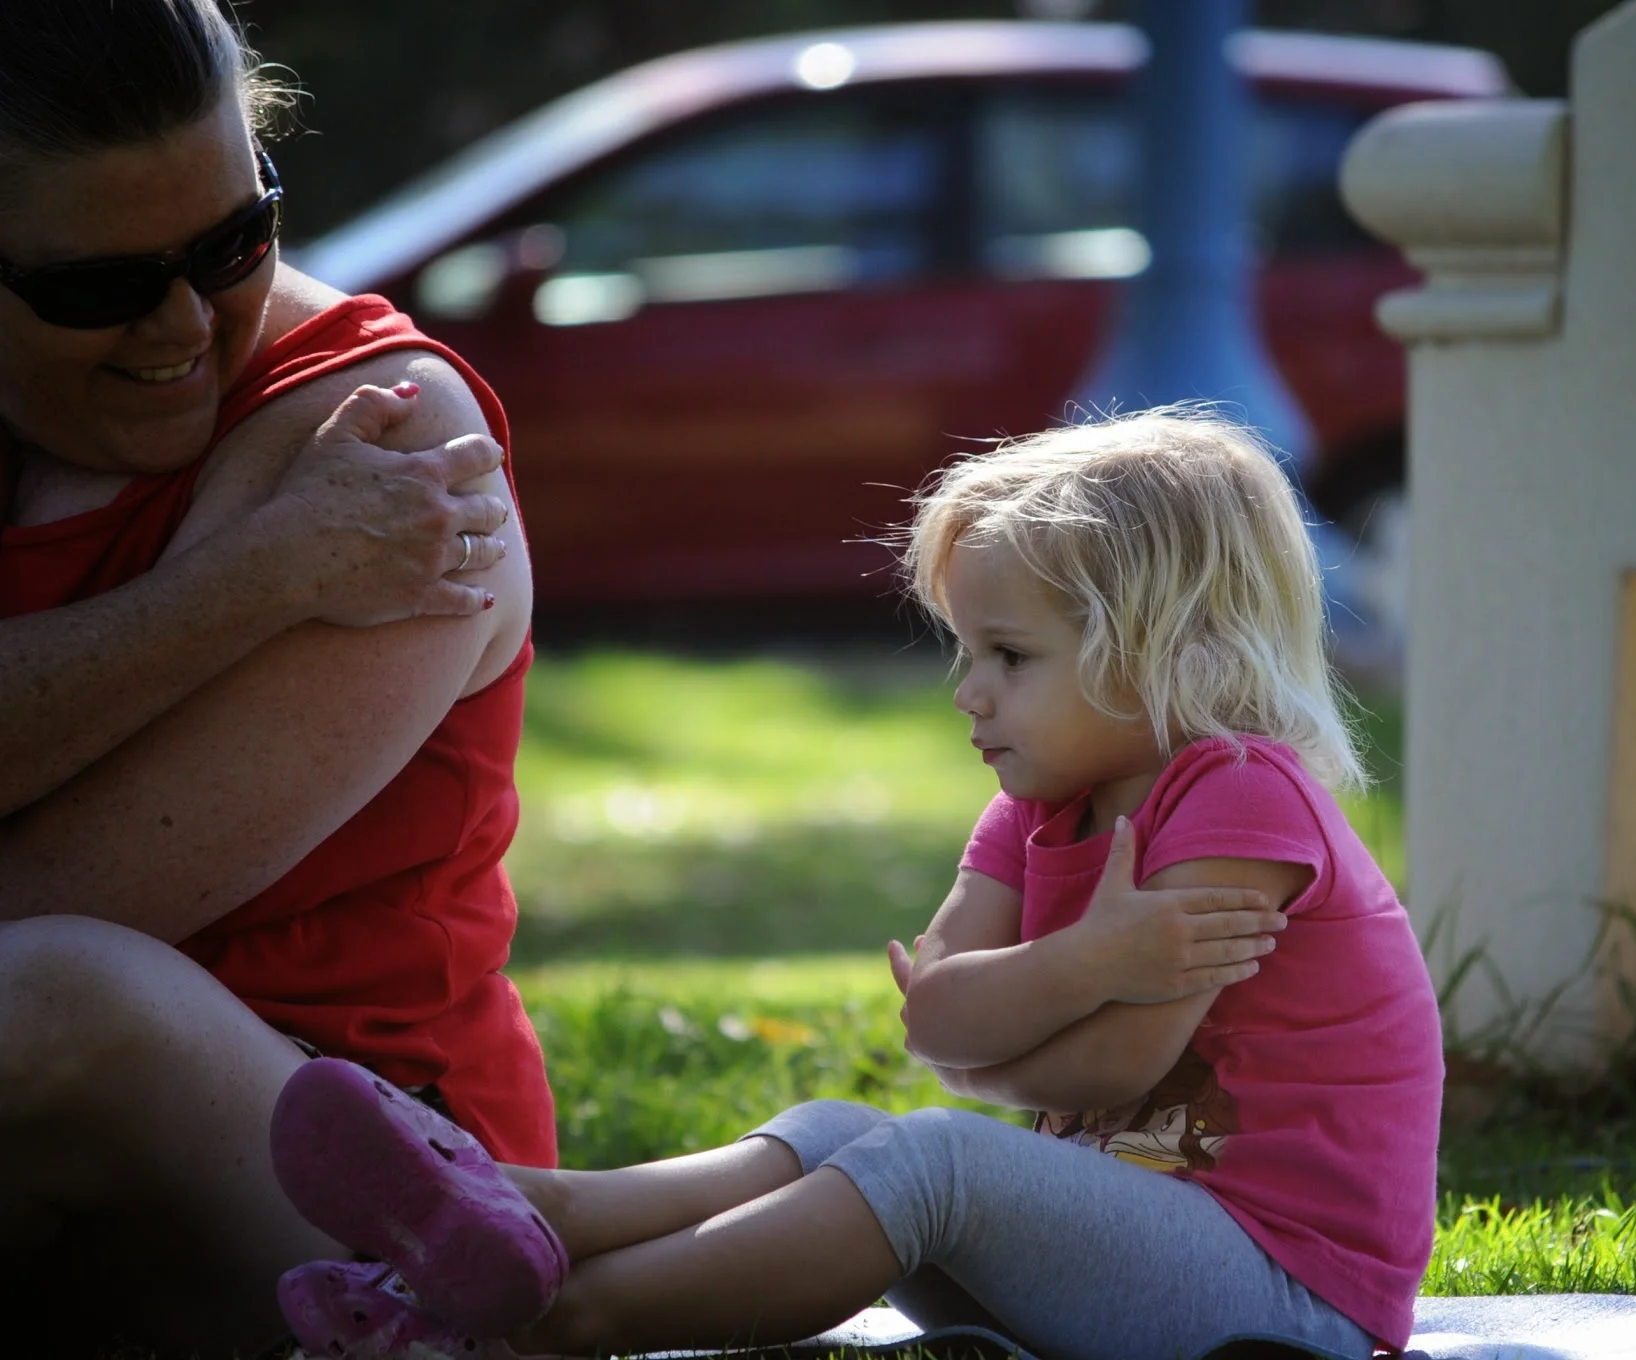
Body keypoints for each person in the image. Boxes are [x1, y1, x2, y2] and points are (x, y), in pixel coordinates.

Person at [267, 408, 1446, 1360]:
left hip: (1285, 1302)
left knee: (930, 1153)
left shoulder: (1239, 796)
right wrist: (1073, 976)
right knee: (843, 1129)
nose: (965, 692)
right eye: (963, 650)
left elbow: (1111, 1063)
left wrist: (1027, 1007)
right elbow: (935, 1023)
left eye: (1010, 656)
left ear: (1163, 645)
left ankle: (550, 1329)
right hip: (1123, 1257)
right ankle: (534, 1218)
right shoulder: (1035, 809)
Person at [0, 4, 553, 1355]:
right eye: (96, 287)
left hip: (370, 1201)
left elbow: (52, 902)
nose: (182, 324)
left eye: (237, 242)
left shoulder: (394, 442)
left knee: (53, 991)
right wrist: (238, 585)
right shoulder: (305, 525)